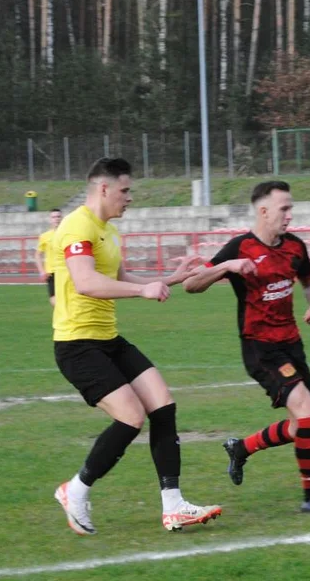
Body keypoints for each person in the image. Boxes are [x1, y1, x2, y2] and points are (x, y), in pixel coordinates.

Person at [51, 157, 221, 535]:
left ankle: (173, 506)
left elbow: (122, 277)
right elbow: (85, 282)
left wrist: (173, 279)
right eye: (125, 190)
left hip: (107, 339)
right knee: (131, 417)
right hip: (77, 344)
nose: (130, 198)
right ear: (104, 188)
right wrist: (141, 291)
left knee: (163, 404)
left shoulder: (109, 231)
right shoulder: (77, 225)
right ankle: (74, 490)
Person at [184, 180, 310, 514]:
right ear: (263, 211)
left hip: (292, 345)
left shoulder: (295, 247)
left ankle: (241, 448)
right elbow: (191, 284)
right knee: (307, 410)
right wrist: (227, 267)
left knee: (303, 425)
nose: (290, 215)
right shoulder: (239, 248)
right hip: (261, 348)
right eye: (285, 208)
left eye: (291, 208)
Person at [36, 208, 63, 306]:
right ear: (50, 219)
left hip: (66, 271)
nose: (56, 219)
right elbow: (38, 254)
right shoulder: (45, 236)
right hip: (51, 272)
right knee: (54, 299)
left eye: (58, 216)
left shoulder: (67, 234)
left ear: (62, 218)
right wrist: (41, 271)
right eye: (54, 217)